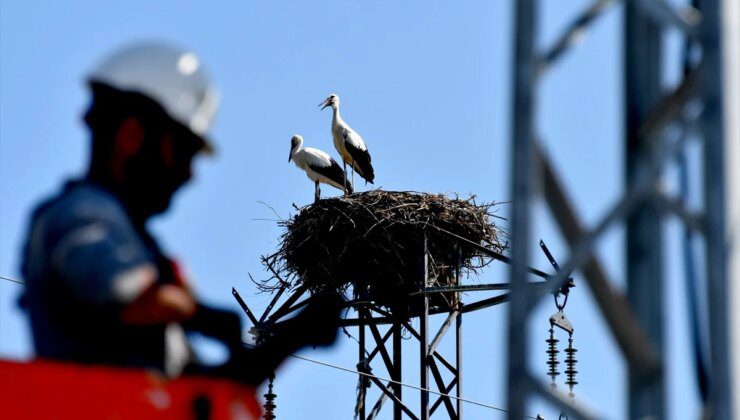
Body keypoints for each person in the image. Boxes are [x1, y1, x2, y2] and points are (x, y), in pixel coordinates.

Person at [19, 42, 341, 384]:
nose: (189, 175)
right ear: (131, 136)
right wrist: (200, 315)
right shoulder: (81, 214)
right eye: (182, 151)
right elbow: (126, 294)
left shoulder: (139, 246)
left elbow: (202, 390)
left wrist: (295, 335)